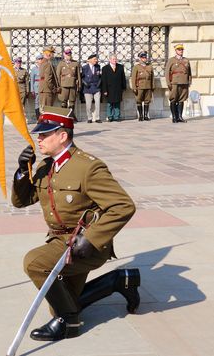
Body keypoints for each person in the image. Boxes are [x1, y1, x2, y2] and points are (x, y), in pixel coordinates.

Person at [12, 106, 140, 342]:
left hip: (84, 245)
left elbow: (123, 205)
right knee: (60, 304)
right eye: (39, 134)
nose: (39, 139)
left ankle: (68, 323)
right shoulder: (45, 166)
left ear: (63, 136)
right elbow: (20, 201)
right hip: (60, 241)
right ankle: (119, 281)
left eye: (45, 134)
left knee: (35, 263)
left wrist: (91, 239)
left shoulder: (88, 167)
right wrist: (22, 172)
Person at [164, 43, 191, 123]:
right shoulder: (171, 60)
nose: (181, 51)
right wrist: (169, 83)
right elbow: (167, 72)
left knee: (181, 100)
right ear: (176, 51)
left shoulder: (186, 60)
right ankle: (174, 117)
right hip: (174, 82)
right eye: (179, 49)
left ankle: (180, 116)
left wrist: (189, 81)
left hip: (184, 82)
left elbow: (189, 73)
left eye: (182, 49)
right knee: (173, 99)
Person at [56, 48, 81, 120]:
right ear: (64, 54)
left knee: (72, 101)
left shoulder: (75, 63)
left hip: (73, 84)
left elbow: (78, 75)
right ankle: (64, 116)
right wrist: (58, 86)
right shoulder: (61, 63)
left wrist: (79, 85)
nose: (68, 55)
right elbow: (58, 75)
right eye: (67, 54)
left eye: (69, 54)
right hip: (63, 85)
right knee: (63, 101)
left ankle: (71, 116)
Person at [101, 53, 127, 122]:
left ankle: (117, 116)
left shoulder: (120, 67)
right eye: (113, 59)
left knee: (117, 103)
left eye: (115, 59)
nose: (115, 60)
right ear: (110, 60)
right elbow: (104, 80)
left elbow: (123, 78)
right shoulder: (105, 68)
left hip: (118, 88)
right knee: (110, 103)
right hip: (109, 89)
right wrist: (105, 90)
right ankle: (110, 116)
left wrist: (124, 87)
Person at [131, 51, 154, 121]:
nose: (144, 59)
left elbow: (152, 77)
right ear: (140, 58)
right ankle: (140, 116)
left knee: (147, 101)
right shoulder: (136, 67)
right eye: (142, 58)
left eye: (145, 57)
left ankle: (146, 115)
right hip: (139, 86)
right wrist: (134, 87)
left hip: (148, 86)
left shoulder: (150, 66)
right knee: (139, 101)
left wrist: (153, 86)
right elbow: (133, 78)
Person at [81, 54, 102, 124]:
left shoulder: (98, 66)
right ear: (89, 60)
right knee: (88, 105)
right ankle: (89, 118)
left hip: (96, 87)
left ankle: (97, 118)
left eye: (96, 59)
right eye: (94, 59)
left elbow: (99, 76)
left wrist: (99, 83)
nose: (96, 60)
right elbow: (82, 77)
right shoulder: (84, 68)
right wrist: (85, 83)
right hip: (88, 88)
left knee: (98, 103)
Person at [30, 55, 42, 121]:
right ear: (36, 60)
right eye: (39, 59)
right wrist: (32, 90)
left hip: (43, 87)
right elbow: (32, 80)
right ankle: (38, 118)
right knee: (37, 103)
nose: (40, 60)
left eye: (41, 59)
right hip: (37, 87)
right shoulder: (34, 69)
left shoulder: (43, 67)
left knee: (42, 103)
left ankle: (43, 117)